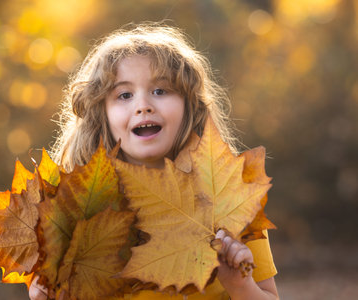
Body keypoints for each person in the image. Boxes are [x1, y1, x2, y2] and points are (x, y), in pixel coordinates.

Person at [29, 23, 279, 300]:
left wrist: (241, 286)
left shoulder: (228, 198)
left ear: (190, 105)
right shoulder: (74, 214)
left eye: (161, 90)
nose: (143, 105)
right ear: (102, 115)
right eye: (124, 95)